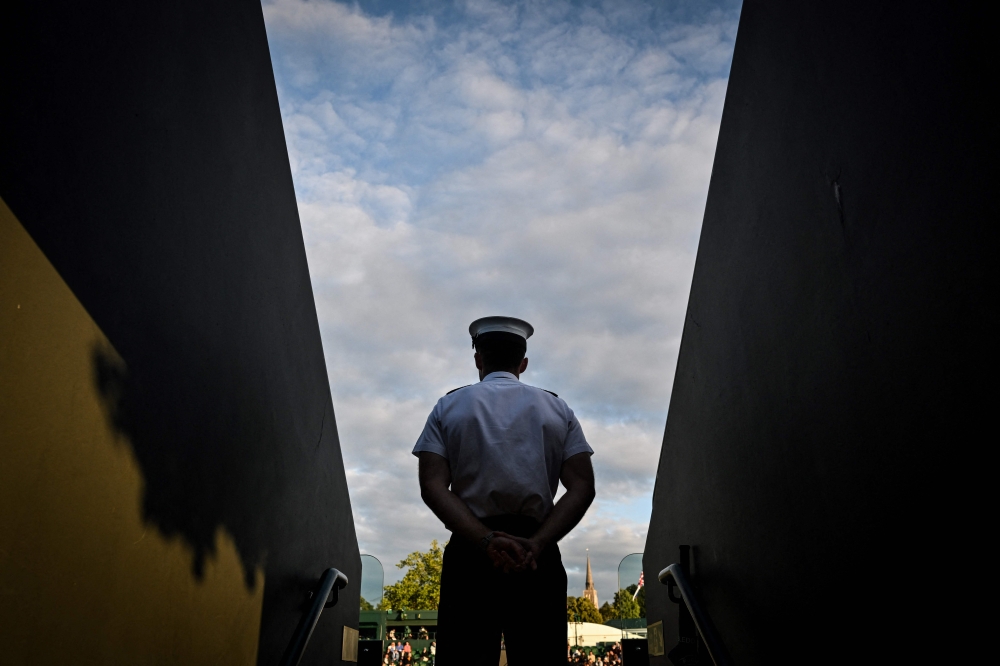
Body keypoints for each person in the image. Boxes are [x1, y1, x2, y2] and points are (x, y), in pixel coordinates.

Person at [414, 316, 596, 666]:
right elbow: (582, 486)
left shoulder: (447, 407)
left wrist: (484, 541)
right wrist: (539, 543)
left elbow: (433, 485)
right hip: (536, 555)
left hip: (470, 552)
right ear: (523, 363)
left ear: (478, 358)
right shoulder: (558, 409)